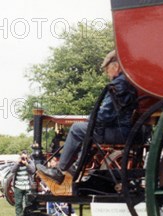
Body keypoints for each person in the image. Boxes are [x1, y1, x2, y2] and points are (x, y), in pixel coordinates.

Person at [37, 50, 138, 185]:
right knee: (86, 129)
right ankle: (74, 168)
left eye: (107, 70)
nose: (107, 74)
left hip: (120, 132)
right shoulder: (128, 82)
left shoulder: (119, 84)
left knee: (77, 129)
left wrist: (89, 121)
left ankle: (60, 171)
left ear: (116, 66)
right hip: (127, 130)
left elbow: (105, 115)